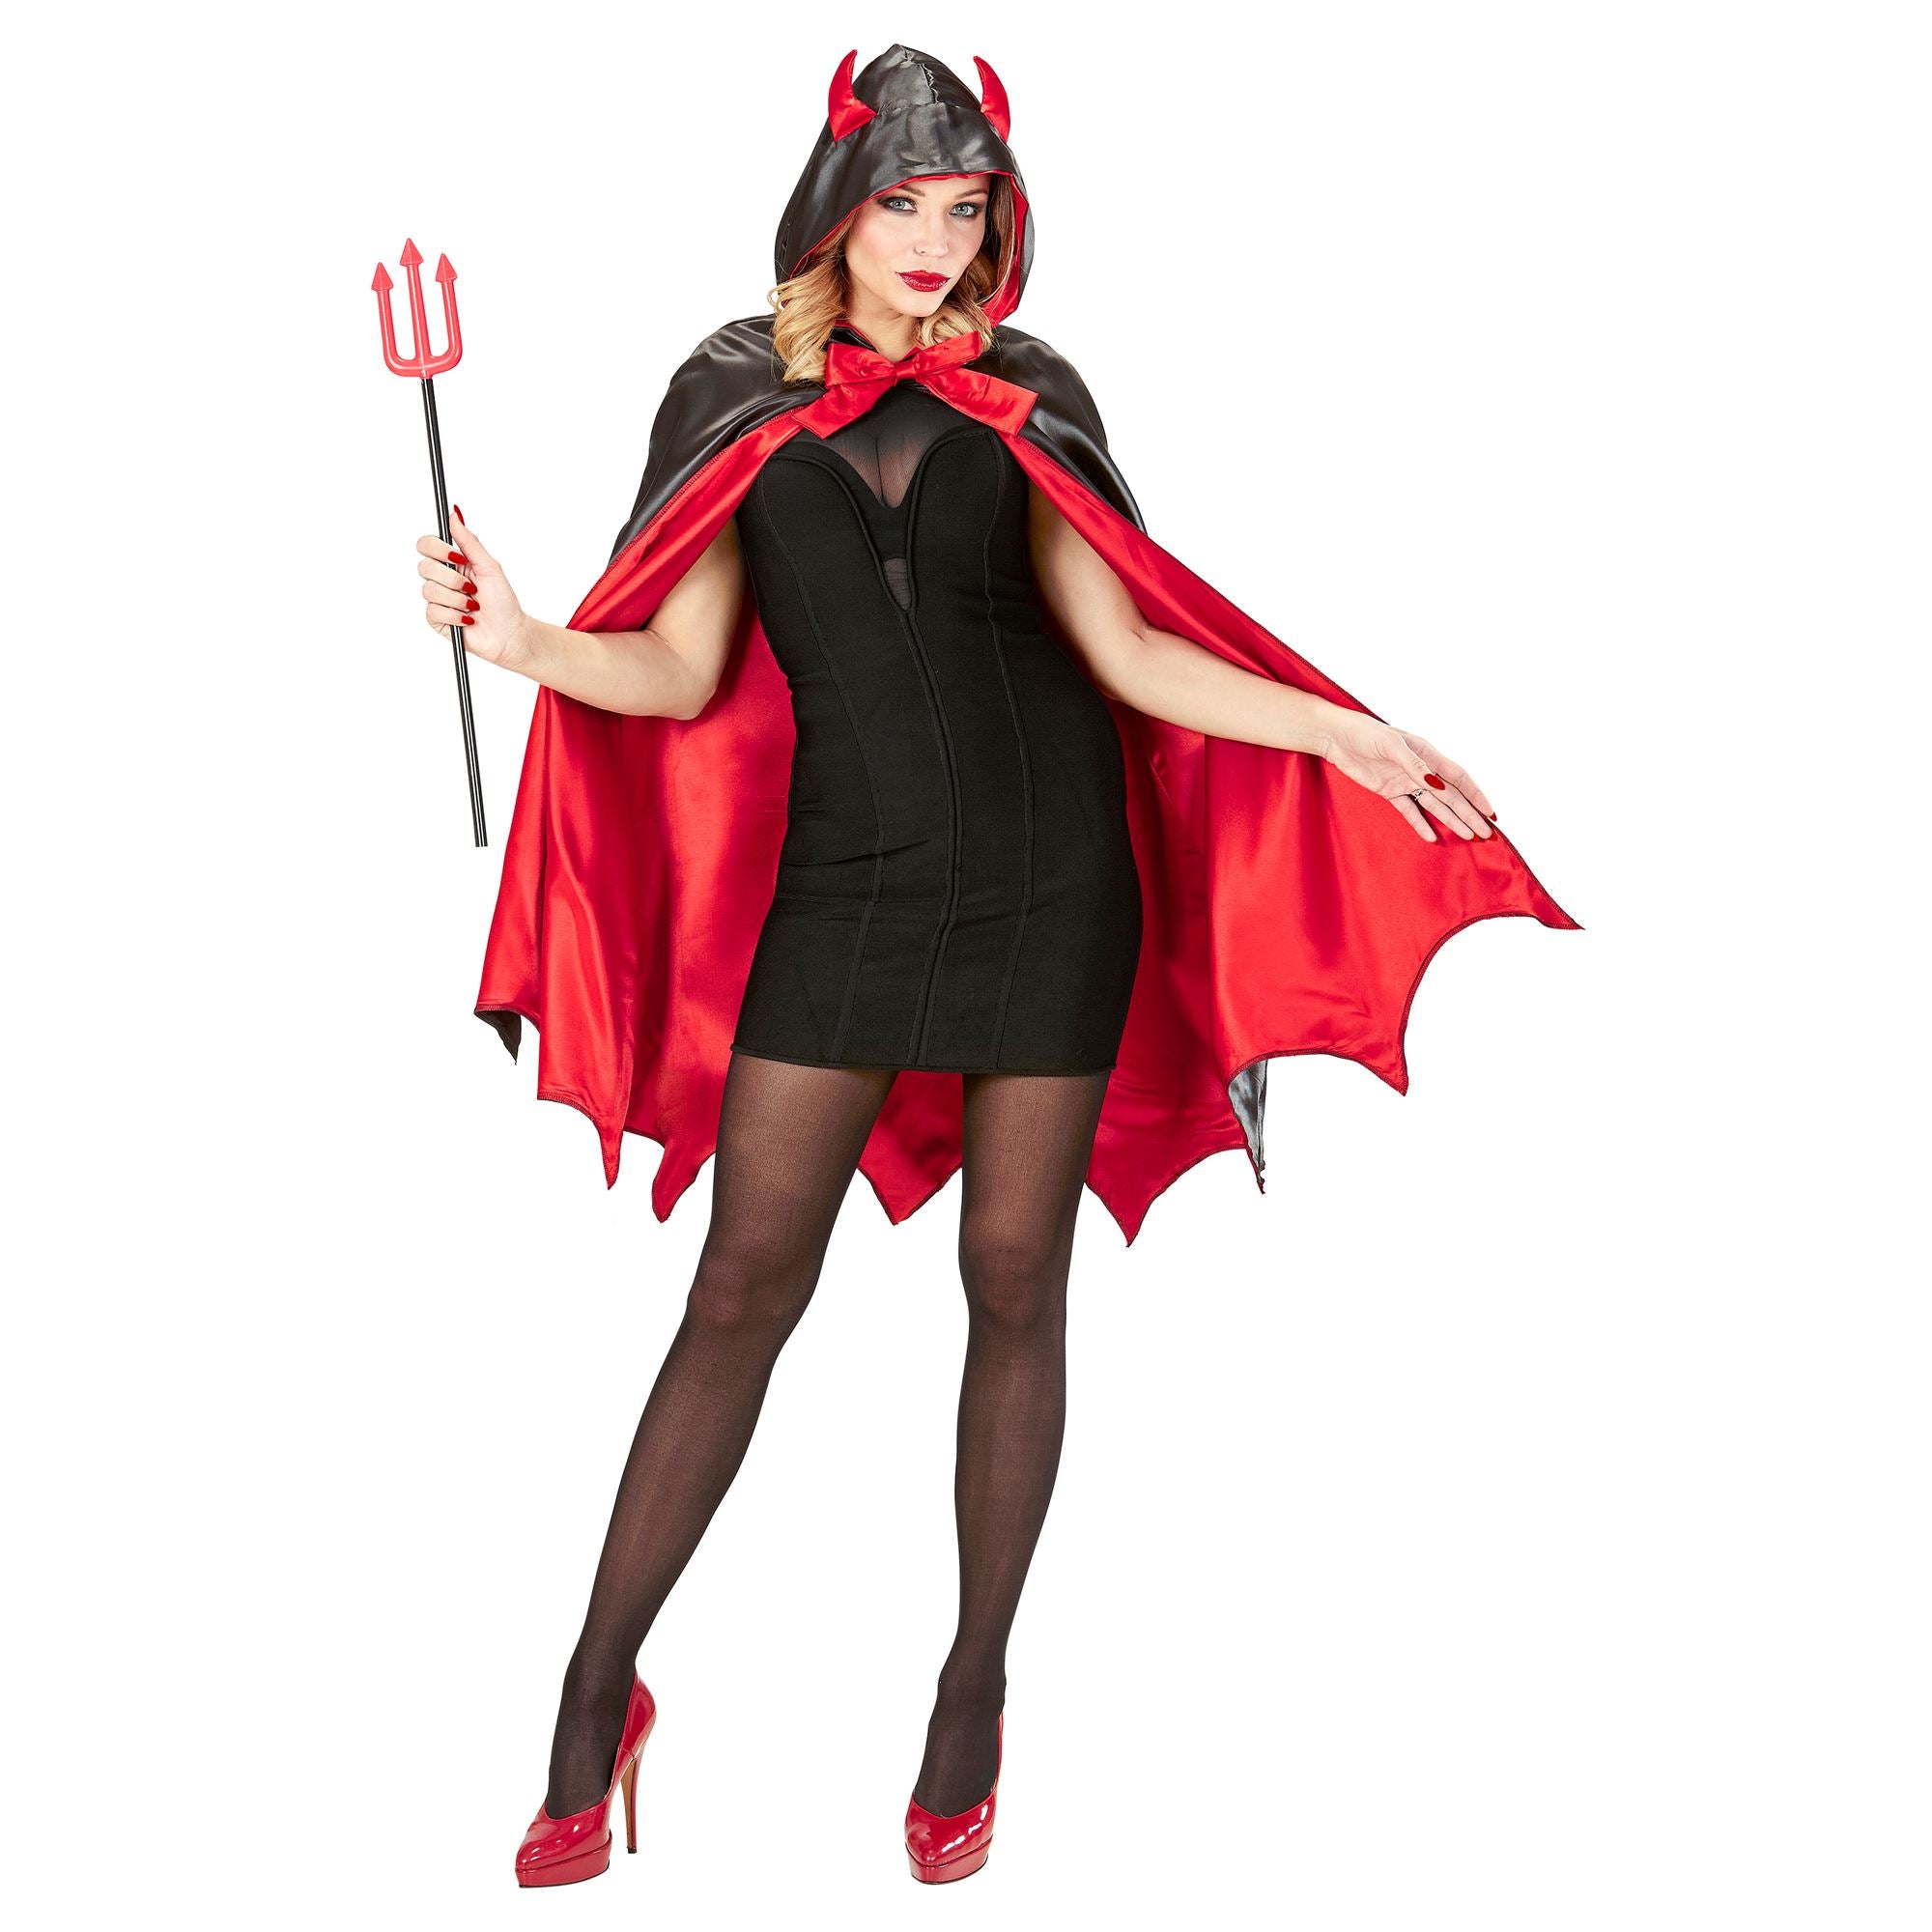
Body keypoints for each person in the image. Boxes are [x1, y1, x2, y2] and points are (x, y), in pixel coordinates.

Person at [410, 44, 1575, 1889]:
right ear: (834, 208)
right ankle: (593, 1695)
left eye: (965, 209)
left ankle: (972, 1694)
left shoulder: (1030, 393)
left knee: (1015, 1275)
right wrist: (524, 636)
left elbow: (1130, 650)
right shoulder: (729, 391)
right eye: (903, 202)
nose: (934, 241)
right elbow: (682, 671)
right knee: (742, 1290)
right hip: (847, 888)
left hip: (1052, 883)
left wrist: (1348, 734)